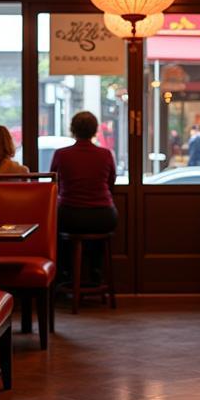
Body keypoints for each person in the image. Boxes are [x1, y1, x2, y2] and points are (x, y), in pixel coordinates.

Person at [50, 111, 117, 283]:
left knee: (57, 228)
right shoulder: (106, 154)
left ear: (72, 129)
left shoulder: (61, 154)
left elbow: (53, 184)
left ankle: (65, 273)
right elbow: (111, 184)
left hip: (70, 214)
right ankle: (95, 271)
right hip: (103, 215)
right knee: (97, 235)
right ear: (95, 130)